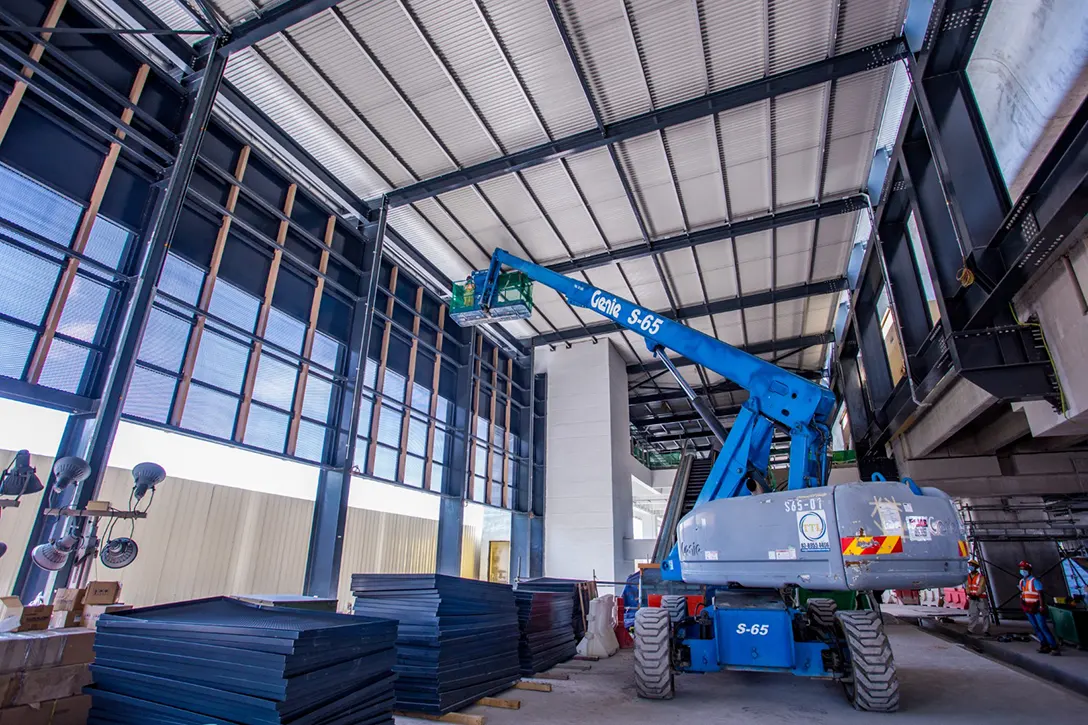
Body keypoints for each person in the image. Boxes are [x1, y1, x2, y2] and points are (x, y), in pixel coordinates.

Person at [1019, 560, 1060, 655]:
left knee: (1042, 627)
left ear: (1029, 570)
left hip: (1036, 607)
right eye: (1021, 569)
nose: (1022, 571)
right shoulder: (1022, 582)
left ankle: (1053, 646)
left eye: (1024, 569)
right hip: (1028, 608)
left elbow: (1041, 595)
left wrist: (1041, 606)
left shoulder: (1034, 581)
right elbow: (1022, 594)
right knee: (1036, 627)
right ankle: (1044, 645)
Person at [965, 559, 990, 636]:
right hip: (972, 598)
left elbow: (982, 587)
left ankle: (986, 630)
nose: (970, 567)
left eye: (972, 565)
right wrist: (969, 594)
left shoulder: (981, 577)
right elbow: (967, 586)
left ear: (976, 567)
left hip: (981, 598)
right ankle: (970, 629)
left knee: (985, 614)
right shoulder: (967, 577)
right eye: (970, 565)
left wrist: (977, 594)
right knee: (973, 614)